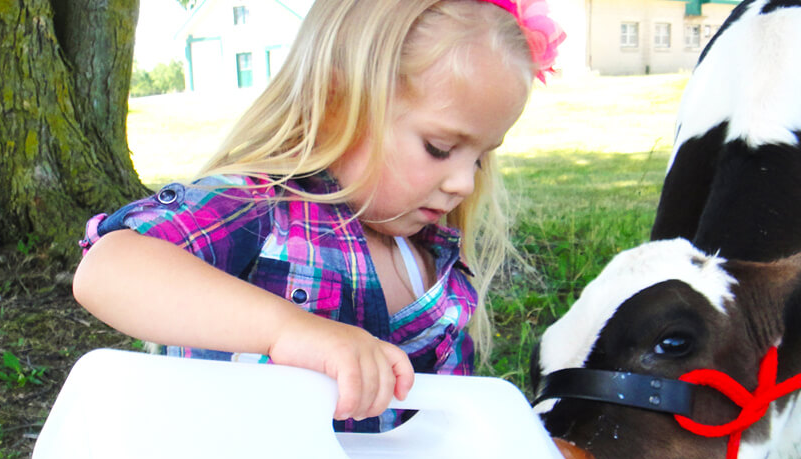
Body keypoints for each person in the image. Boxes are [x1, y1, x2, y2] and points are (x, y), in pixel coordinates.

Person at [73, 0, 565, 432]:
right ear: (336, 104)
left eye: (479, 157)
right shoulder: (261, 208)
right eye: (440, 148)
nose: (465, 182)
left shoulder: (432, 263)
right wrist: (289, 329)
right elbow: (110, 270)